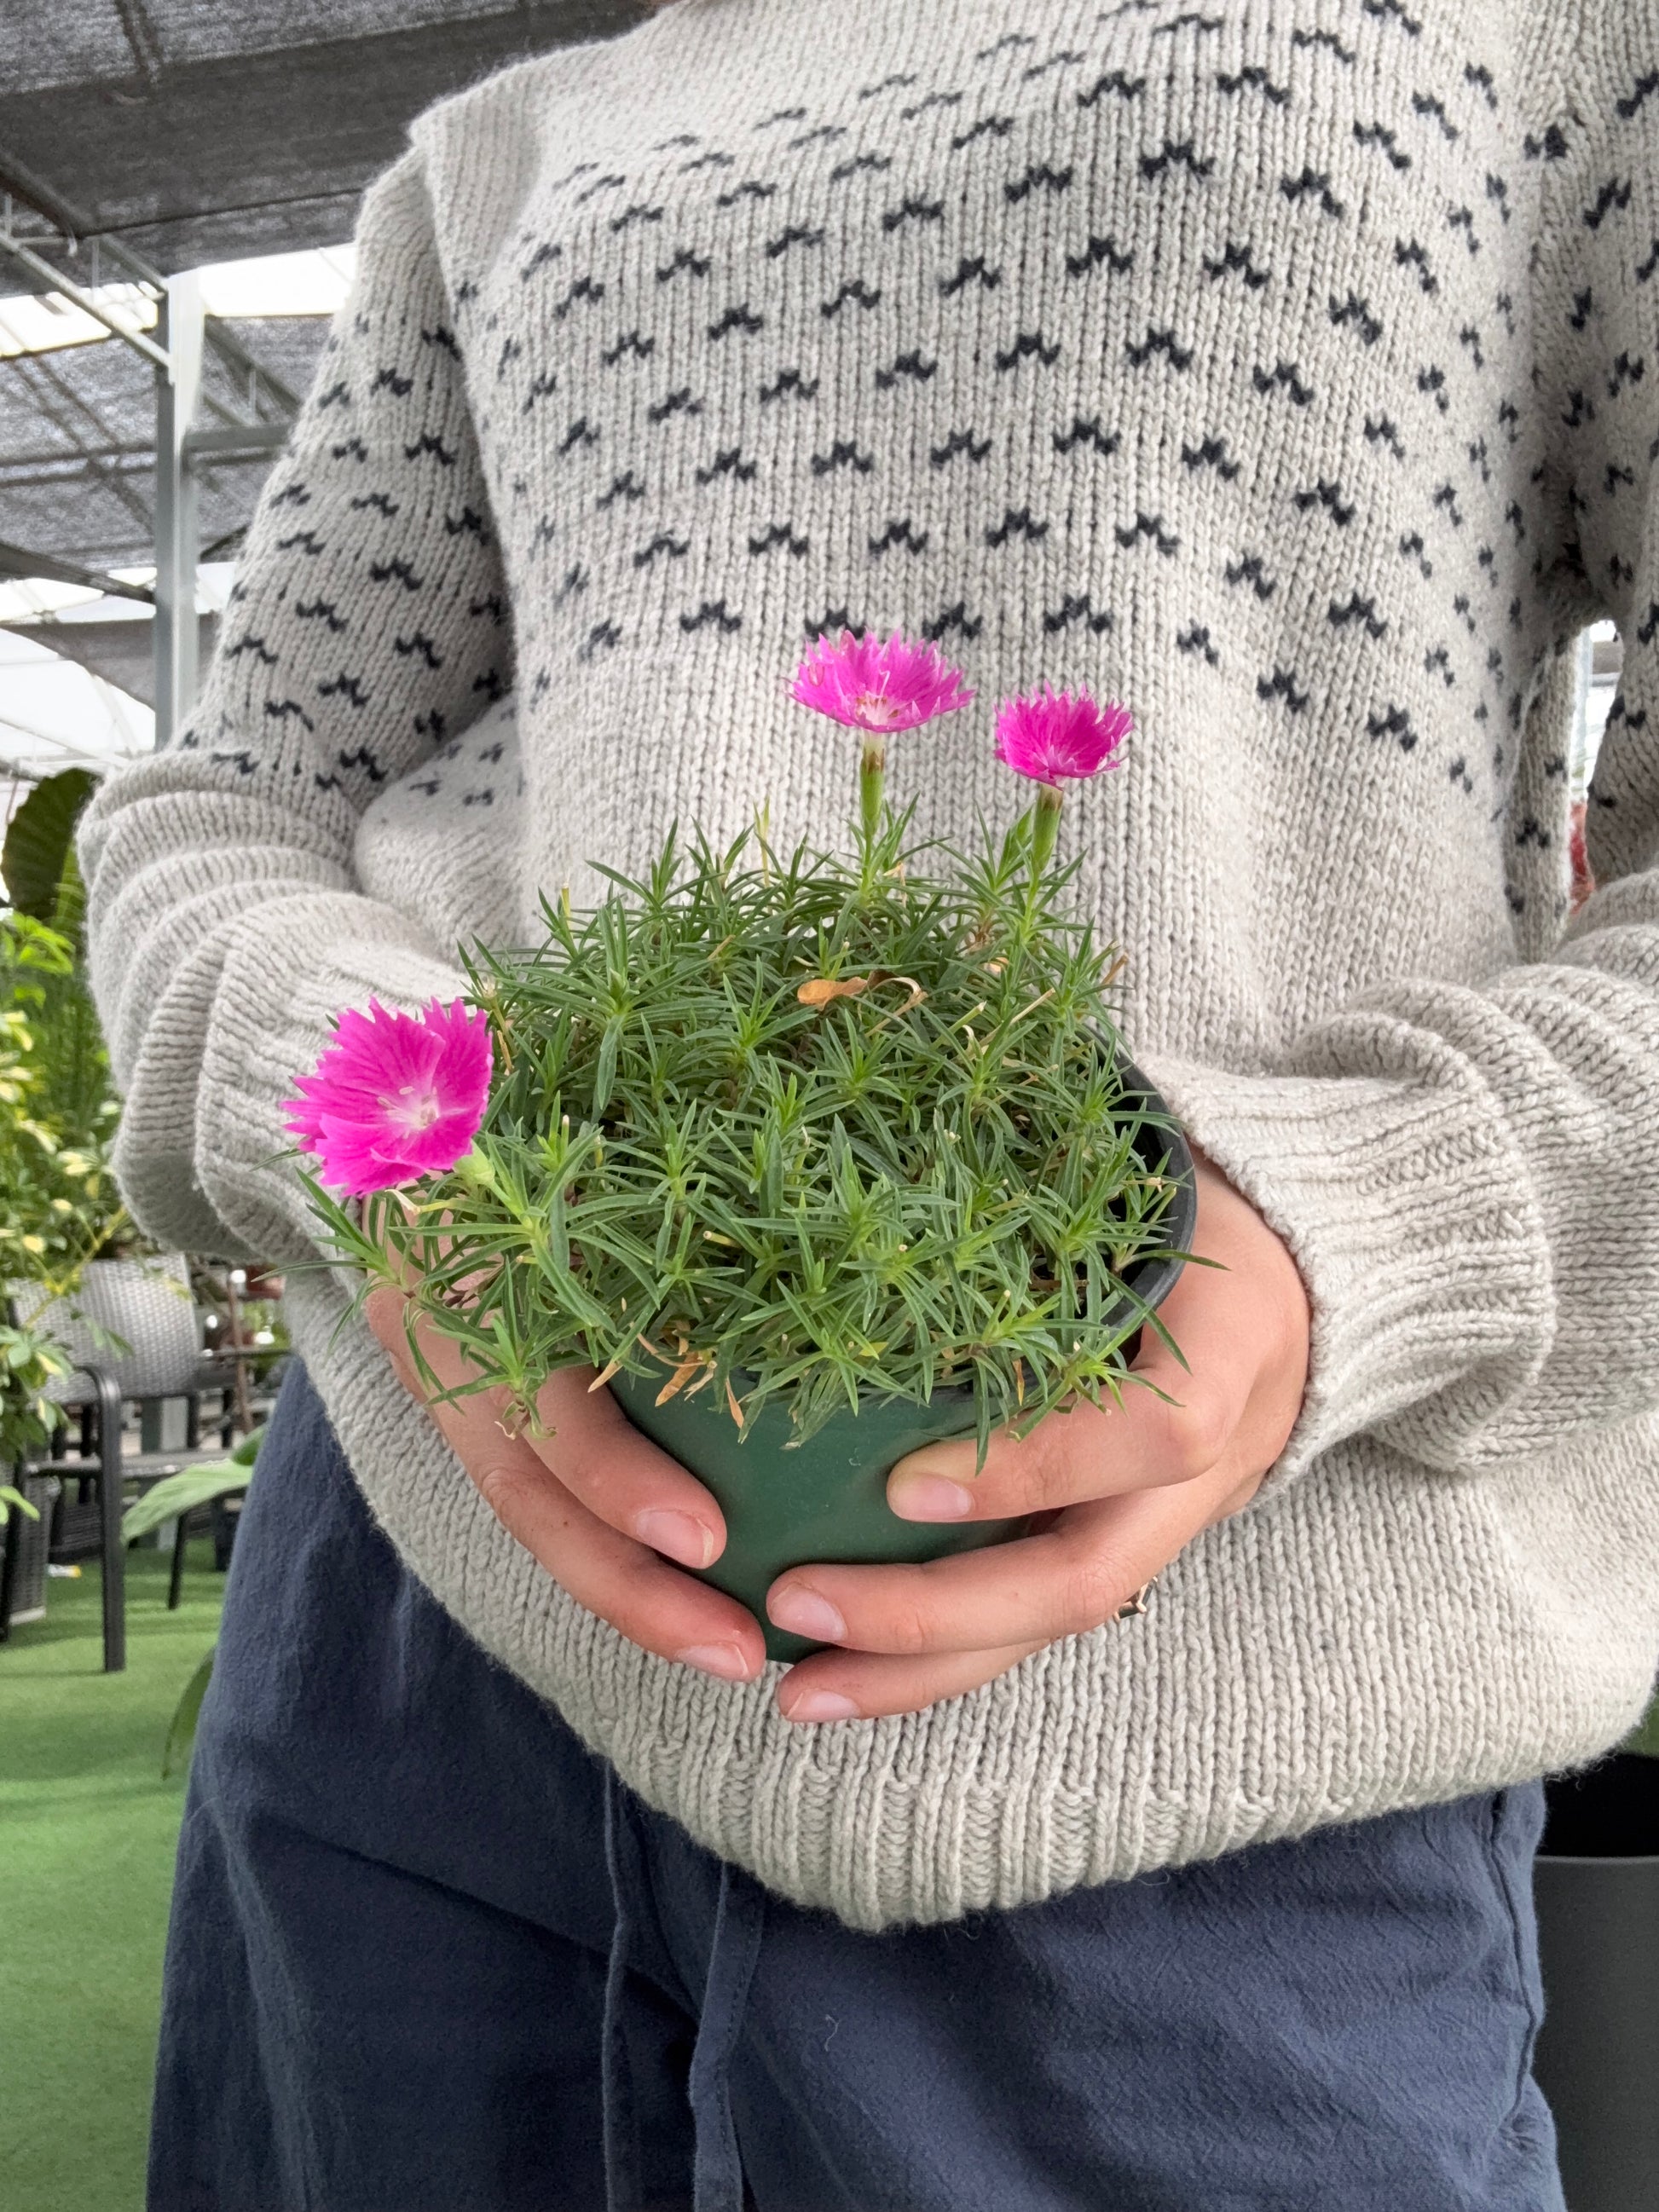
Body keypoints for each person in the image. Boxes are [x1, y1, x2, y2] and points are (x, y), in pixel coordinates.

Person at [81, 0, 1659, 2204]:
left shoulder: (1548, 41)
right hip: (427, 1609)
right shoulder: (500, 155)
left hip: (1225, 1704)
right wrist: (383, 1133)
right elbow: (226, 802)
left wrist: (1386, 1205)